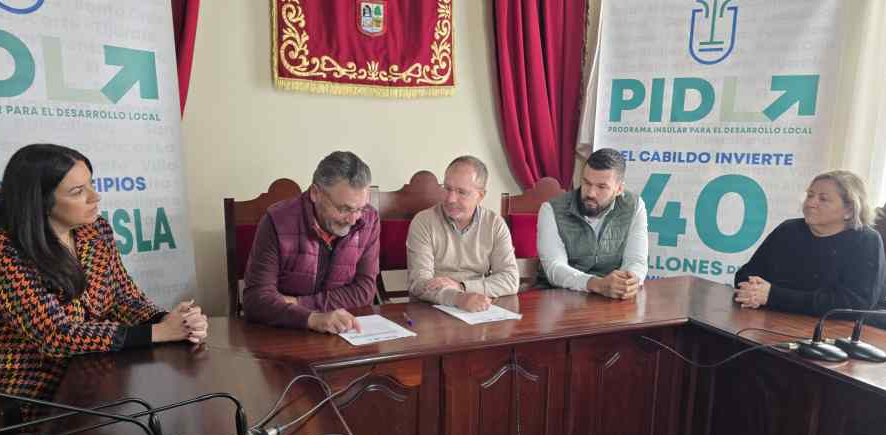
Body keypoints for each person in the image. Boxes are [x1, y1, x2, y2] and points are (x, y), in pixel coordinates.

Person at [0, 144, 208, 419]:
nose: (95, 196)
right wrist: (159, 333)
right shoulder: (1, 248)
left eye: (91, 184)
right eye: (78, 191)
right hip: (34, 393)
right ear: (40, 201)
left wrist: (170, 321)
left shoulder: (95, 230)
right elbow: (55, 335)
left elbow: (124, 298)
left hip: (100, 371)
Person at [243, 151, 379, 333]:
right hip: (284, 332)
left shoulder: (369, 219)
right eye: (344, 209)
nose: (353, 220)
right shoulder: (276, 221)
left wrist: (299, 303)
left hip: (344, 329)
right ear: (315, 193)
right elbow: (256, 300)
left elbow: (365, 291)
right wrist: (312, 319)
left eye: (360, 209)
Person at [734, 170, 886, 316]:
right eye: (810, 195)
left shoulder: (866, 240)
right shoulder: (788, 229)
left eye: (823, 199)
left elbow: (855, 304)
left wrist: (773, 296)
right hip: (773, 317)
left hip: (835, 328)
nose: (810, 203)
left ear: (849, 210)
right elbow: (746, 273)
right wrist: (753, 291)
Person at [406, 156, 519, 312]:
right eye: (447, 189)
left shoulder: (494, 224)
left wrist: (462, 287)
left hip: (479, 306)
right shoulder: (424, 221)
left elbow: (510, 280)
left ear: (480, 196)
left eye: (462, 192)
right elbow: (419, 283)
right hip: (433, 308)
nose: (451, 199)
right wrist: (458, 298)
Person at [536, 148, 648, 299]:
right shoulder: (551, 209)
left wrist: (628, 281)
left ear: (619, 189)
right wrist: (597, 284)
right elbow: (554, 268)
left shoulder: (634, 206)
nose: (590, 193)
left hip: (611, 298)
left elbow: (636, 260)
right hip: (558, 297)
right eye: (587, 183)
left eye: (601, 187)